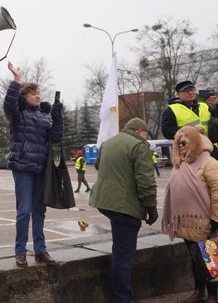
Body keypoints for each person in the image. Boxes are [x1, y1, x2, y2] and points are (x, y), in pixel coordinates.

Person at [89, 118, 157, 303]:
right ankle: (122, 298)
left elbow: (98, 166)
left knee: (120, 249)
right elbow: (145, 180)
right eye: (146, 133)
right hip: (124, 205)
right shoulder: (138, 145)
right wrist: (151, 207)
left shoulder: (108, 143)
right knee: (124, 255)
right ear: (139, 130)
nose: (146, 137)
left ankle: (122, 295)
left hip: (105, 201)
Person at [3, 61, 63, 268]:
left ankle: (40, 250)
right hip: (23, 166)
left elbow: (55, 138)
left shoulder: (45, 116)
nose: (38, 95)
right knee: (24, 209)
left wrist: (58, 116)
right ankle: (20, 251)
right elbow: (9, 105)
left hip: (41, 169)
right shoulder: (18, 115)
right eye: (32, 93)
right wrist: (15, 81)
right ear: (24, 97)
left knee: (40, 210)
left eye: (38, 92)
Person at [161, 126, 218, 303]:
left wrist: (216, 219)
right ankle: (199, 293)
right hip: (186, 222)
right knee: (195, 260)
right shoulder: (180, 163)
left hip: (204, 222)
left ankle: (212, 296)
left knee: (210, 261)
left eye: (185, 143)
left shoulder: (209, 163)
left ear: (195, 143)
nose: (181, 146)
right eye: (178, 143)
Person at [198, 89, 218, 165]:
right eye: (209, 99)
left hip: (211, 144)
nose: (212, 101)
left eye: (214, 98)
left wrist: (215, 106)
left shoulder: (213, 109)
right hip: (201, 145)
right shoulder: (201, 107)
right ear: (204, 100)